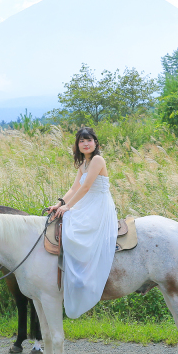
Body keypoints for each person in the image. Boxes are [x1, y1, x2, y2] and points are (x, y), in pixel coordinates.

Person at [47, 127, 117, 318]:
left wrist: (68, 207)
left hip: (99, 204)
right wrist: (59, 204)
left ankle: (84, 277)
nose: (86, 144)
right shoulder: (83, 165)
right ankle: (72, 275)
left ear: (96, 143)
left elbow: (86, 187)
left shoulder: (97, 160)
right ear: (77, 145)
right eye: (81, 141)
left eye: (89, 140)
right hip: (86, 202)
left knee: (73, 227)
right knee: (62, 221)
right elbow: (74, 188)